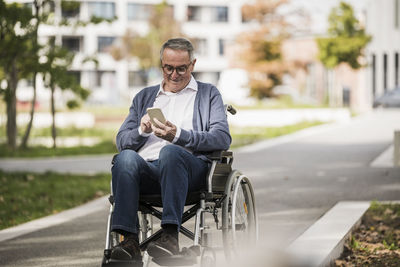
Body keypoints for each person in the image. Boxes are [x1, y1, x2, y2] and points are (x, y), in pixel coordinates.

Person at [110, 38, 231, 261]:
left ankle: (170, 238)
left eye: (181, 68)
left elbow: (222, 137)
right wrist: (142, 130)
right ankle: (129, 242)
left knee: (171, 151)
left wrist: (177, 136)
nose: (174, 75)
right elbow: (122, 141)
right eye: (169, 68)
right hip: (148, 172)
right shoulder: (144, 97)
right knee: (125, 158)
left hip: (189, 172)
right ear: (162, 65)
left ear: (192, 65)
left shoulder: (208, 94)